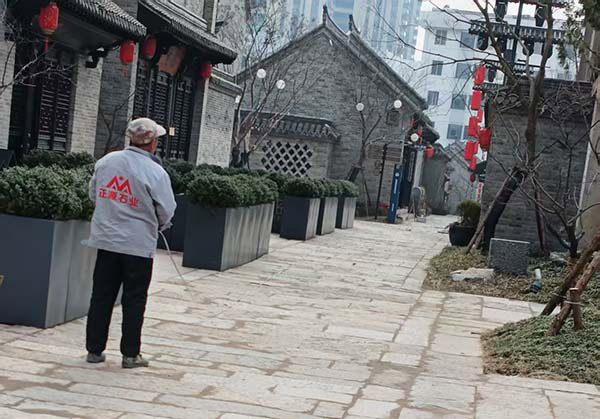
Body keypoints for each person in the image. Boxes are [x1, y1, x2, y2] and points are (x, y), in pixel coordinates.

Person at [85, 118, 176, 369]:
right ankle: (130, 354)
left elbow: (94, 193)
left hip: (107, 240)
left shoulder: (107, 162)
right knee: (134, 299)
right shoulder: (155, 172)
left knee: (101, 295)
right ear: (152, 143)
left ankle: (94, 349)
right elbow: (167, 209)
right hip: (138, 244)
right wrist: (158, 223)